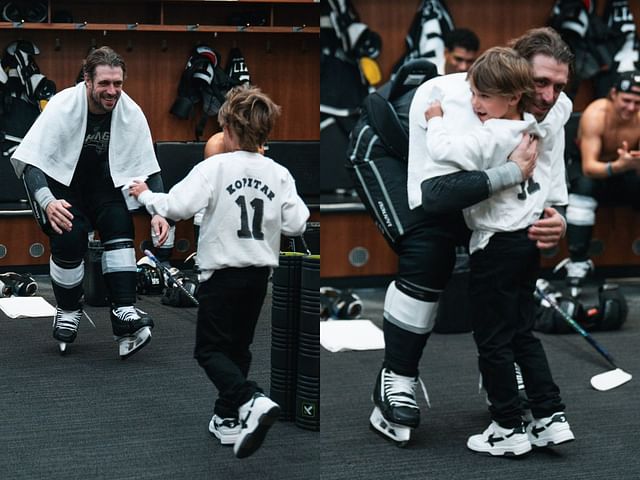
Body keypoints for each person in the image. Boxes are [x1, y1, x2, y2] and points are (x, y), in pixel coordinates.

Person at [369, 27, 571, 449]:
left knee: (518, 267)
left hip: (483, 195)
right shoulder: (444, 99)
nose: (550, 97)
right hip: (397, 157)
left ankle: (509, 377)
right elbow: (437, 196)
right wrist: (511, 172)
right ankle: (397, 375)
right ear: (514, 79)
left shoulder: (555, 106)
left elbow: (548, 173)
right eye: (541, 83)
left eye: (559, 85)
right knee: (430, 255)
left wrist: (558, 219)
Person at [129, 85, 310, 459]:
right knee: (238, 347)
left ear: (226, 128)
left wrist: (145, 194)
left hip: (222, 275)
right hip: (260, 275)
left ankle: (249, 399)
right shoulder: (278, 173)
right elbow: (298, 223)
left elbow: (176, 206)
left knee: (210, 350)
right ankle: (227, 417)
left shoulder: (213, 167)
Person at [423, 46, 574, 456]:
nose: (475, 105)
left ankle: (508, 426)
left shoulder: (493, 133)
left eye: (484, 97)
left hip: (495, 246)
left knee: (492, 340)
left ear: (511, 98)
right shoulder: (531, 127)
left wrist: (435, 120)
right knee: (523, 333)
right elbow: (559, 111)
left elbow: (443, 151)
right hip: (525, 244)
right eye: (473, 94)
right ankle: (549, 416)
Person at [10, 46, 170, 358]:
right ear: (87, 81)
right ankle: (68, 309)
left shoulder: (130, 111)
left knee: (119, 223)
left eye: (118, 84)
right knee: (69, 236)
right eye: (105, 84)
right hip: (62, 186)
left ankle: (124, 312)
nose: (112, 91)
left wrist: (158, 211)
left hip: (103, 187)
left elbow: (149, 168)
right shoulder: (62, 105)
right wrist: (47, 202)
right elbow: (30, 162)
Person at [561, 70, 640, 295]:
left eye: (637, 102)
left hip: (623, 168)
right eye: (627, 100)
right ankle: (577, 263)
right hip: (590, 169)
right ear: (613, 94)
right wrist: (619, 166)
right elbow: (589, 166)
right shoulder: (596, 114)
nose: (631, 108)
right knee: (584, 188)